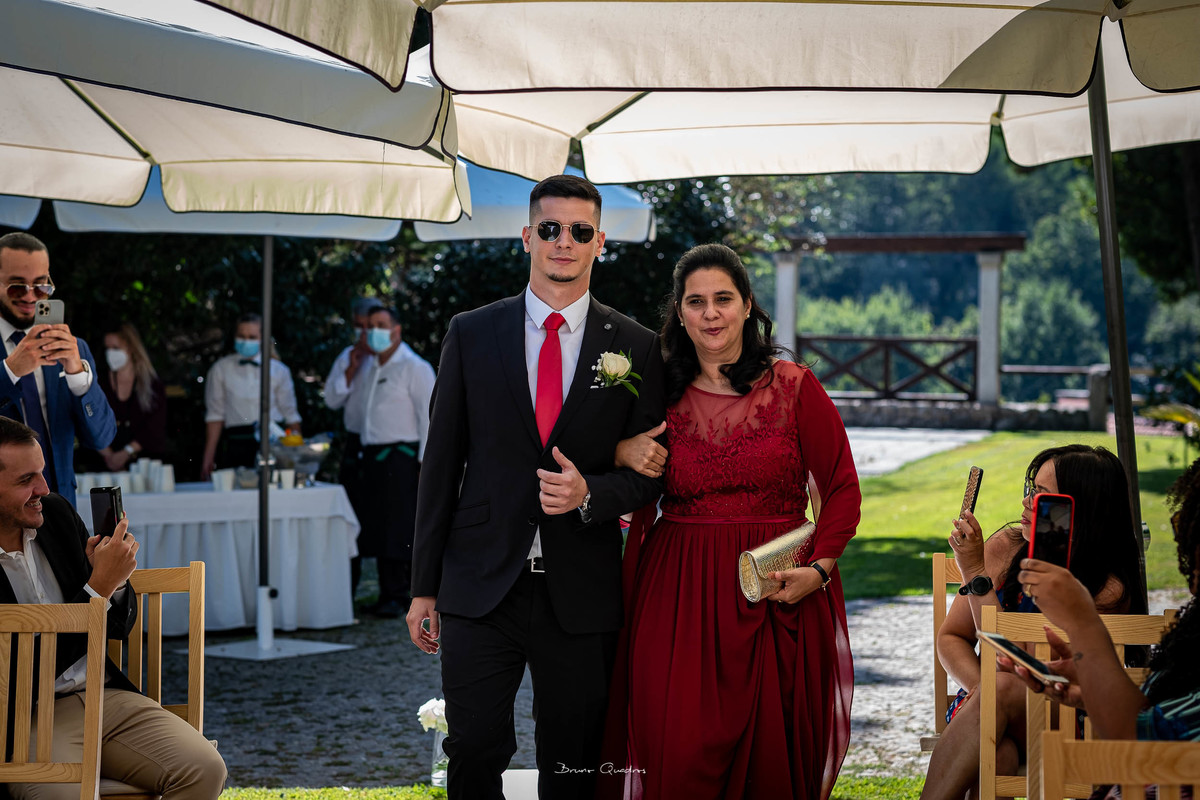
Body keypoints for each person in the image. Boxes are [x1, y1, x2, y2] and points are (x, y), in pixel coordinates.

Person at [407, 174, 667, 800]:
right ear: (527, 237)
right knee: (473, 745)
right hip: (480, 582)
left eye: (579, 231)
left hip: (580, 588)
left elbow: (649, 475)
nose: (563, 242)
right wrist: (423, 588)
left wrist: (590, 494)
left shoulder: (636, 347)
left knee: (574, 758)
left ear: (599, 242)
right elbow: (440, 466)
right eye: (550, 228)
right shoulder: (472, 333)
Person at [610, 243, 860, 800]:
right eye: (695, 302)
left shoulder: (794, 386)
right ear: (679, 313)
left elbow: (842, 487)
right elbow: (600, 454)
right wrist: (622, 449)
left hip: (778, 591)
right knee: (678, 748)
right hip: (679, 592)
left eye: (723, 299)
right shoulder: (655, 393)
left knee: (771, 760)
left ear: (748, 305)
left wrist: (819, 570)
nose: (711, 314)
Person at [0, 417, 227, 800]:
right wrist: (98, 589)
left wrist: (115, 583)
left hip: (105, 696)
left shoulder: (56, 514)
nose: (44, 488)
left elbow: (119, 625)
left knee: (205, 769)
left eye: (41, 472)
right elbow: (22, 673)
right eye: (26, 480)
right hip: (26, 714)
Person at [920, 444, 1148, 800]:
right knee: (999, 754)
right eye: (1031, 489)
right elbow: (951, 637)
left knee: (1003, 690)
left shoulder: (1107, 589)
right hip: (991, 704)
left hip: (1070, 717)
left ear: (1079, 508)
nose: (1026, 502)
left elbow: (1028, 665)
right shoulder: (1005, 547)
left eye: (1041, 495)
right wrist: (984, 690)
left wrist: (976, 573)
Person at [1002, 455, 1200, 745]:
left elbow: (1140, 741)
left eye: (1187, 526)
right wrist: (1089, 693)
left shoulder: (1106, 589)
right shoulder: (1193, 633)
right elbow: (1149, 716)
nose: (1181, 541)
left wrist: (1083, 622)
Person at [325, 304, 435, 618]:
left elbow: (429, 418)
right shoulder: (366, 362)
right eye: (368, 325)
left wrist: (425, 464)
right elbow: (334, 400)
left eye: (380, 325)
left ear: (396, 330)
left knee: (397, 526)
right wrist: (350, 369)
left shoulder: (414, 367)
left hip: (401, 457)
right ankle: (375, 592)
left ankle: (397, 595)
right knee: (373, 523)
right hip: (367, 454)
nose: (372, 331)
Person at [0, 232, 116, 508]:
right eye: (17, 287)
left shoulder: (75, 349)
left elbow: (101, 438)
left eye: (41, 286)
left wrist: (78, 376)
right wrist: (9, 371)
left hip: (60, 509)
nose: (31, 296)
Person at [200, 312, 301, 479]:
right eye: (242, 336)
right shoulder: (220, 369)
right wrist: (208, 457)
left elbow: (290, 414)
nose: (246, 341)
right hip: (237, 442)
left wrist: (297, 455)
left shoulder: (279, 370)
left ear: (262, 339)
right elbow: (215, 415)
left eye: (252, 337)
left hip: (272, 442)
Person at [94, 322, 168, 470]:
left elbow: (155, 426)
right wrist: (109, 456)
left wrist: (127, 452)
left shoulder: (152, 385)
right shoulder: (98, 383)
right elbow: (89, 422)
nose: (111, 353)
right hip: (103, 465)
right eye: (108, 348)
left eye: (116, 348)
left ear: (131, 348)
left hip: (145, 464)